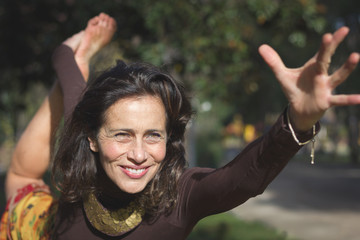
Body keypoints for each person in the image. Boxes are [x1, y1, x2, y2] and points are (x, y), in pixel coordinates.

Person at [1, 12, 359, 239]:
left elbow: (242, 179)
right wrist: (70, 54)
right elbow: (69, 77)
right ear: (93, 138)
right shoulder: (85, 129)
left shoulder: (180, 196)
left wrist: (298, 119)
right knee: (21, 175)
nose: (139, 154)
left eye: (153, 135)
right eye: (122, 134)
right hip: (39, 227)